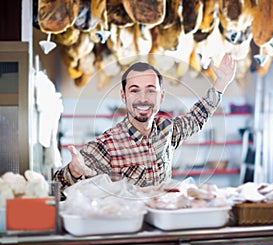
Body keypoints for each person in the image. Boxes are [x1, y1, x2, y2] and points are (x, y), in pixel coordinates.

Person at [53, 54, 236, 197]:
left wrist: (221, 83)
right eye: (134, 90)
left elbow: (196, 117)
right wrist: (73, 171)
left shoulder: (167, 130)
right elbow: (55, 190)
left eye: (151, 90)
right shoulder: (107, 145)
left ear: (161, 96)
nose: (143, 98)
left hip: (164, 228)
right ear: (123, 96)